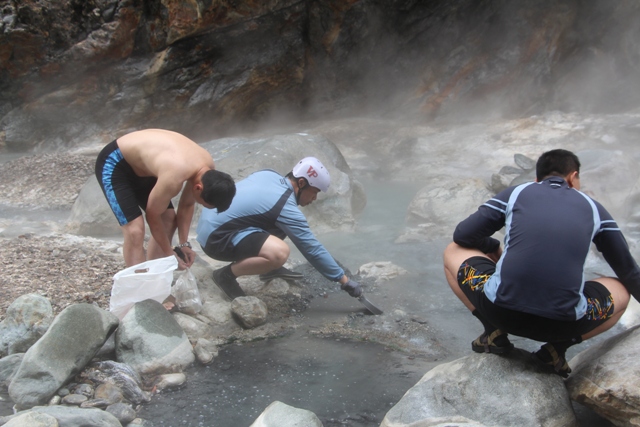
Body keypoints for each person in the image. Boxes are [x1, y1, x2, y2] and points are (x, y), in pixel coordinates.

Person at [443, 149, 640, 377]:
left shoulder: (517, 192)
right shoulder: (595, 208)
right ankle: (556, 350)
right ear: (573, 176)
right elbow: (628, 270)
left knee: (453, 250)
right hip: (562, 324)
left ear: (536, 179)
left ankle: (493, 332)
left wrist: (493, 247)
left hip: (500, 311)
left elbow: (463, 236)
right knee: (622, 289)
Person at [195, 156, 362, 300]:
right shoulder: (284, 205)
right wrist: (343, 280)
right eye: (314, 192)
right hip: (216, 240)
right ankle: (225, 276)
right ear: (302, 182)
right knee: (279, 253)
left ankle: (268, 269)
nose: (314, 198)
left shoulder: (269, 175)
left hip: (209, 223)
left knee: (278, 222)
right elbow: (312, 248)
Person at [95, 129, 236, 270]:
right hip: (115, 162)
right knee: (135, 230)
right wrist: (169, 252)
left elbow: (186, 205)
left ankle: (157, 277)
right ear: (198, 188)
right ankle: (140, 287)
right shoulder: (175, 177)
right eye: (204, 204)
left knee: (168, 220)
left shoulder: (207, 169)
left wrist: (183, 244)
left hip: (145, 168)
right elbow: (152, 215)